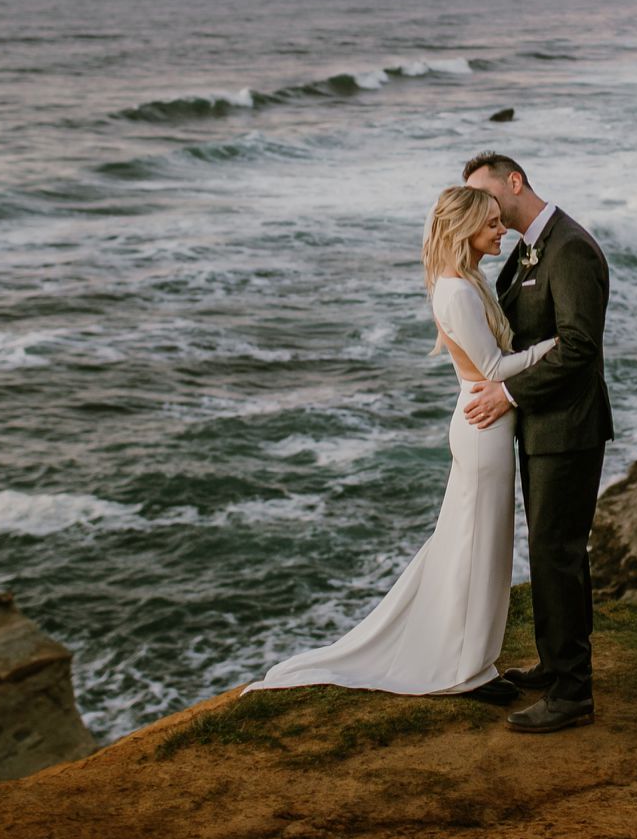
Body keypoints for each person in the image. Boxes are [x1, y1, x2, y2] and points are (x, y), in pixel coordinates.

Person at [240, 186, 556, 703]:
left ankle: (470, 660)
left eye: (501, 222)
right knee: (474, 550)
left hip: (488, 424)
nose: (503, 231)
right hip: (482, 428)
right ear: (464, 231)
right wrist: (553, 346)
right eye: (492, 224)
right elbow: (494, 370)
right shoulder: (455, 291)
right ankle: (462, 671)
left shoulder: (467, 281)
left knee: (478, 547)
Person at [461, 152, 613, 733]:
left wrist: (510, 396)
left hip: (568, 429)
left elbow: (578, 348)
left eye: (487, 196)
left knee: (557, 553)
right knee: (554, 552)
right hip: (546, 428)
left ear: (515, 182)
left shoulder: (570, 248)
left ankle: (574, 693)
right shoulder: (530, 247)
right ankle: (556, 666)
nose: (483, 208)